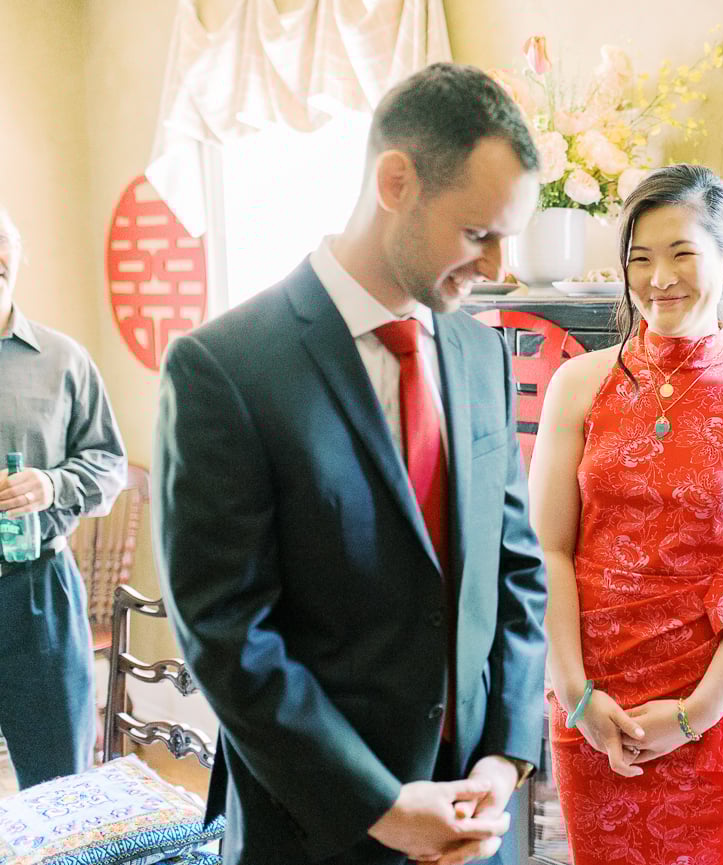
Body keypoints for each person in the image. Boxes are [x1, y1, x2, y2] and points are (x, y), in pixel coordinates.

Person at [153, 63, 548, 865]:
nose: (501, 267)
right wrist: (381, 805)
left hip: (481, 820)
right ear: (396, 182)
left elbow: (517, 571)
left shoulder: (481, 352)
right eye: (478, 233)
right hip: (316, 826)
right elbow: (229, 634)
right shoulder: (224, 368)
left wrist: (505, 758)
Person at [529, 164, 723, 865]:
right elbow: (549, 550)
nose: (660, 278)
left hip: (712, 707)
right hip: (593, 706)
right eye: (640, 259)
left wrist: (694, 715)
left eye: (682, 253)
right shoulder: (577, 385)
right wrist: (577, 693)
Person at [0, 207, 126, 788]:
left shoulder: (64, 360)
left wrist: (52, 485)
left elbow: (110, 465)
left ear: (18, 257)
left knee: (61, 783)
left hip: (38, 593)